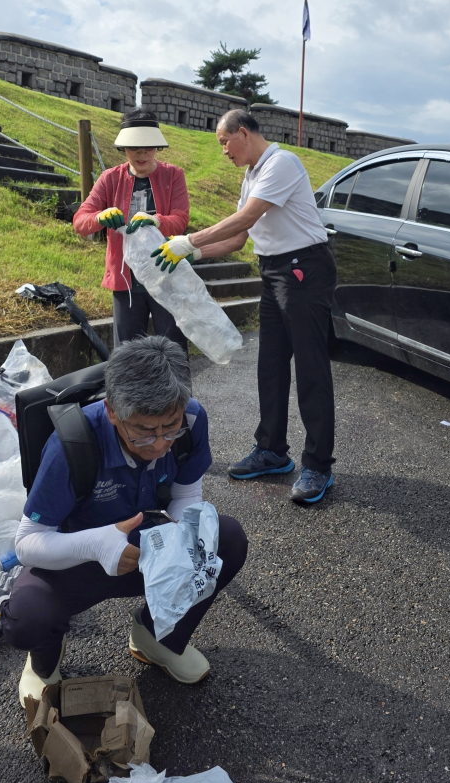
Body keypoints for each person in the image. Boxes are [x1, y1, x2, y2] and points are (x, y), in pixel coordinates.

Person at [0, 336, 248, 707]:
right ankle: (44, 663)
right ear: (112, 411)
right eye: (144, 430)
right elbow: (27, 542)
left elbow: (185, 495)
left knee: (227, 539)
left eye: (170, 427)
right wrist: (97, 545)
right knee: (28, 616)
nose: (159, 444)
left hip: (146, 547)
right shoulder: (73, 443)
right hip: (76, 557)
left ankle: (157, 639)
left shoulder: (192, 420)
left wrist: (186, 537)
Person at [152, 109, 337, 505]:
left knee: (310, 368)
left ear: (244, 133)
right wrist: (193, 254)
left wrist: (189, 239)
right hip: (273, 270)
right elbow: (239, 238)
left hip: (304, 269)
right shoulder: (251, 175)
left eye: (224, 141)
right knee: (270, 364)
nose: (223, 151)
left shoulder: (281, 163)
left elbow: (248, 216)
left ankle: (319, 464)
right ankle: (272, 450)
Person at [73, 109, 190, 350]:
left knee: (173, 349)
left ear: (157, 146)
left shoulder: (173, 175)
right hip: (126, 281)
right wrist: (100, 216)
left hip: (165, 275)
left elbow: (181, 219)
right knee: (127, 352)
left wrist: (157, 221)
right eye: (134, 146)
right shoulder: (110, 178)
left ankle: (175, 379)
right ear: (124, 147)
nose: (141, 153)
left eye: (148, 146)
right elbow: (80, 222)